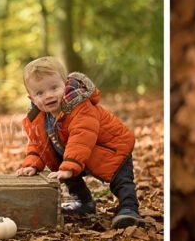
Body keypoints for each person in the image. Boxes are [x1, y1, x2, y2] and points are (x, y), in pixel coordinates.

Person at [17, 56, 143, 228]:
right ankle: (84, 203)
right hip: (77, 155)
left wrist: (70, 165)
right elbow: (38, 144)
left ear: (66, 84)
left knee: (121, 181)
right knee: (60, 168)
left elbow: (82, 135)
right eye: (40, 93)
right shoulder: (39, 118)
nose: (48, 96)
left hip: (112, 147)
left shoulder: (80, 107)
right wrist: (32, 164)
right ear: (31, 98)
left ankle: (129, 209)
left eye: (54, 88)